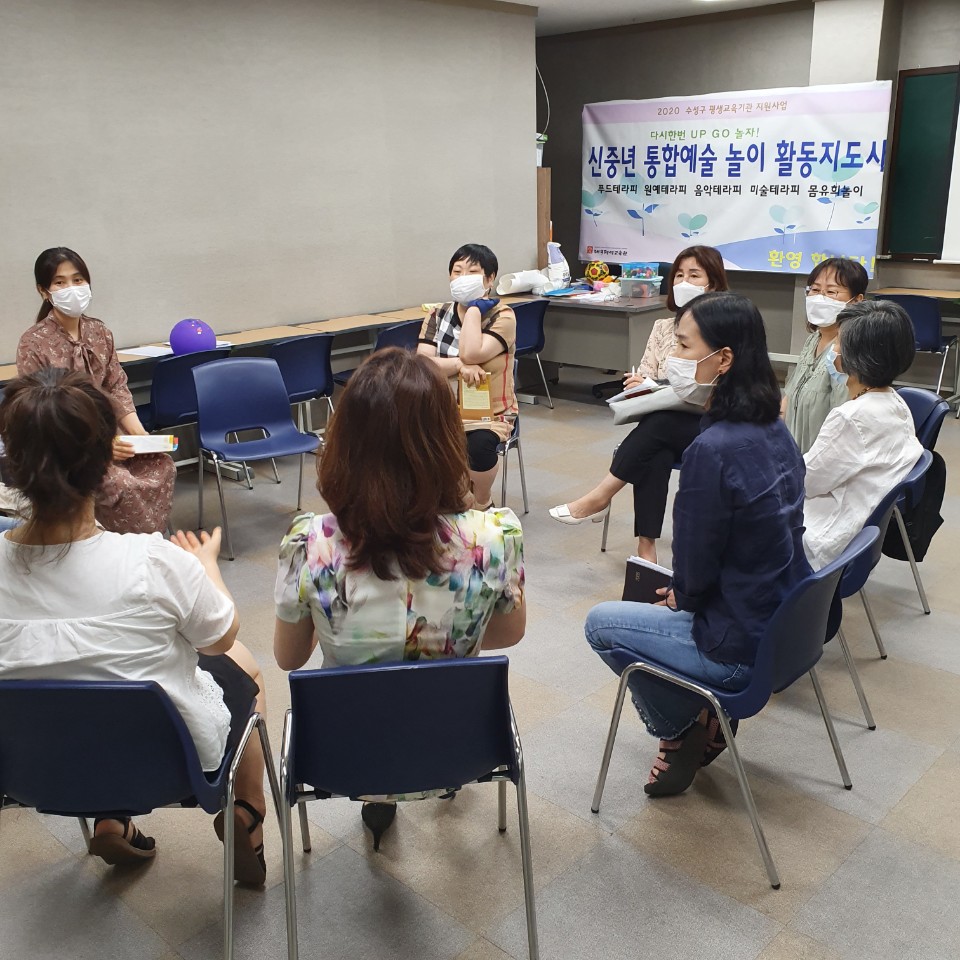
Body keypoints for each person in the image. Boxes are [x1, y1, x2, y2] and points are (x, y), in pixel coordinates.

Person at [0, 368, 269, 884]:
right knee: (246, 668)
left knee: (75, 686)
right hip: (172, 767)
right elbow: (221, 637)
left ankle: (110, 819)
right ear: (106, 461)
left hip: (33, 773)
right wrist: (207, 567)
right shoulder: (153, 561)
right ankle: (247, 814)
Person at [274, 348, 526, 849]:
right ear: (447, 437)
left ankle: (379, 795)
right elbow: (506, 634)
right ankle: (429, 775)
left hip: (346, 752)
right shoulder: (494, 536)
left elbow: (289, 656)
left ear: (345, 441)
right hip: (460, 743)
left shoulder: (311, 543)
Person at [584, 293, 811, 797]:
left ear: (723, 359)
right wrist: (685, 592)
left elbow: (695, 573)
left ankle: (681, 728)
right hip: (784, 622)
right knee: (656, 603)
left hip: (736, 643)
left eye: (684, 346)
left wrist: (680, 595)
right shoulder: (773, 427)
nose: (673, 358)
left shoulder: (712, 449)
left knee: (601, 624)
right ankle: (703, 716)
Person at [549, 245, 730, 562]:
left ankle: (601, 496)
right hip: (667, 427)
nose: (683, 282)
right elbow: (645, 373)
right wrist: (641, 384)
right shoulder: (662, 327)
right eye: (679, 275)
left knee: (658, 426)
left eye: (694, 275)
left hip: (711, 424)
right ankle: (646, 548)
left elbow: (719, 389)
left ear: (712, 284)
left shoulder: (727, 327)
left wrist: (657, 387)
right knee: (656, 447)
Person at [16, 247, 175, 534]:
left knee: (162, 465)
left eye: (78, 280)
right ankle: (116, 546)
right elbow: (42, 413)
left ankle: (148, 542)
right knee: (117, 483)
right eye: (60, 282)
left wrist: (140, 435)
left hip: (113, 434)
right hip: (68, 445)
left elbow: (117, 386)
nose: (72, 288)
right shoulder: (33, 342)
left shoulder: (99, 332)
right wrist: (99, 448)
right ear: (44, 291)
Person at [803, 300, 923, 569]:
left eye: (838, 341)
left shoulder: (852, 417)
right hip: (856, 537)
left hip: (819, 545)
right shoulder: (896, 402)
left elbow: (806, 482)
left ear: (857, 356)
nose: (833, 349)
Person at [417, 243, 518, 509]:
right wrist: (460, 366)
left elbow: (472, 353)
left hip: (490, 414)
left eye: (472, 272)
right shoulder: (437, 314)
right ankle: (450, 499)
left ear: (490, 279)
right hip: (439, 409)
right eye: (457, 271)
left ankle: (482, 501)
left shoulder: (503, 315)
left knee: (478, 446)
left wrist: (474, 311)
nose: (462, 278)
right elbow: (423, 364)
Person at [782, 257, 868, 453]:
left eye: (831, 292)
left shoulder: (847, 351)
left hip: (824, 457)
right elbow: (790, 395)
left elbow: (843, 423)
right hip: (795, 452)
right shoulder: (813, 339)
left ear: (856, 301)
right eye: (814, 289)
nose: (820, 298)